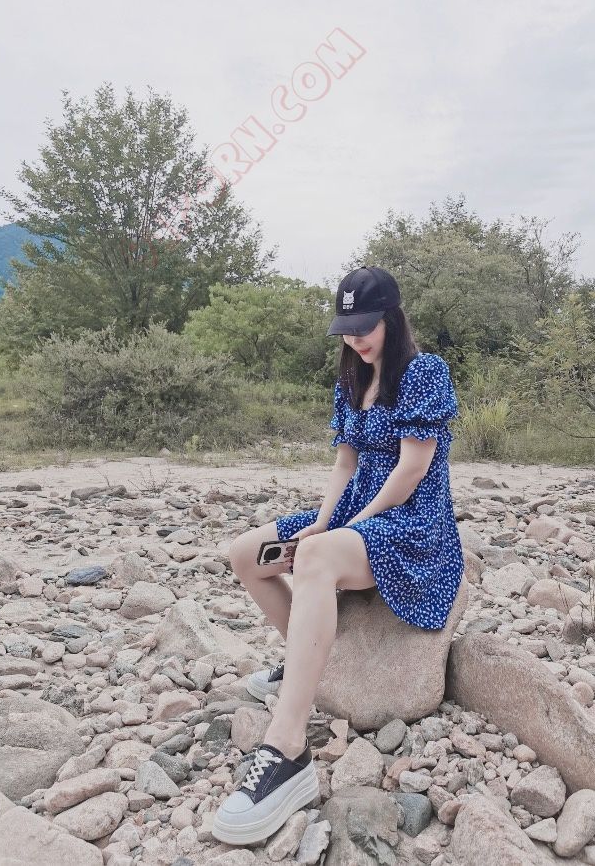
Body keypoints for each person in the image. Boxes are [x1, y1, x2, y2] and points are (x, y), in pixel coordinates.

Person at [212, 264, 465, 845]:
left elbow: (411, 469)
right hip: (355, 509)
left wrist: (348, 529)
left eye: (365, 326)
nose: (355, 338)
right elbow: (345, 462)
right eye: (347, 329)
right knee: (248, 554)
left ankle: (287, 747)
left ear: (392, 318)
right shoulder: (350, 381)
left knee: (317, 559)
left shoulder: (423, 372)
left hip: (411, 520)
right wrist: (323, 523)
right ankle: (307, 661)